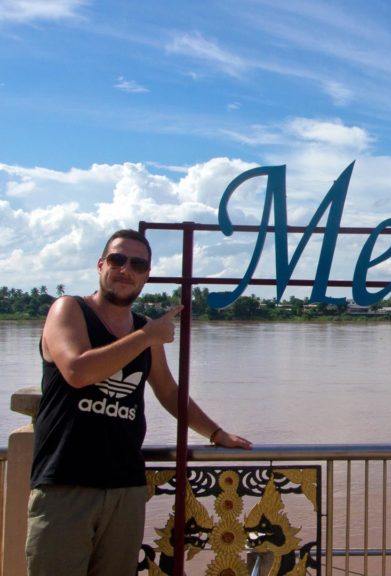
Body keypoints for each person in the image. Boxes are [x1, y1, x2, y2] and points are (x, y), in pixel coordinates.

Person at [26, 229, 252, 575]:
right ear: (101, 264)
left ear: (146, 274)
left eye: (137, 263)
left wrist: (216, 433)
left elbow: (167, 391)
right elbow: (77, 370)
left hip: (125, 486)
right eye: (117, 259)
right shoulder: (68, 310)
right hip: (65, 483)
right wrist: (146, 336)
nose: (125, 269)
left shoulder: (145, 328)